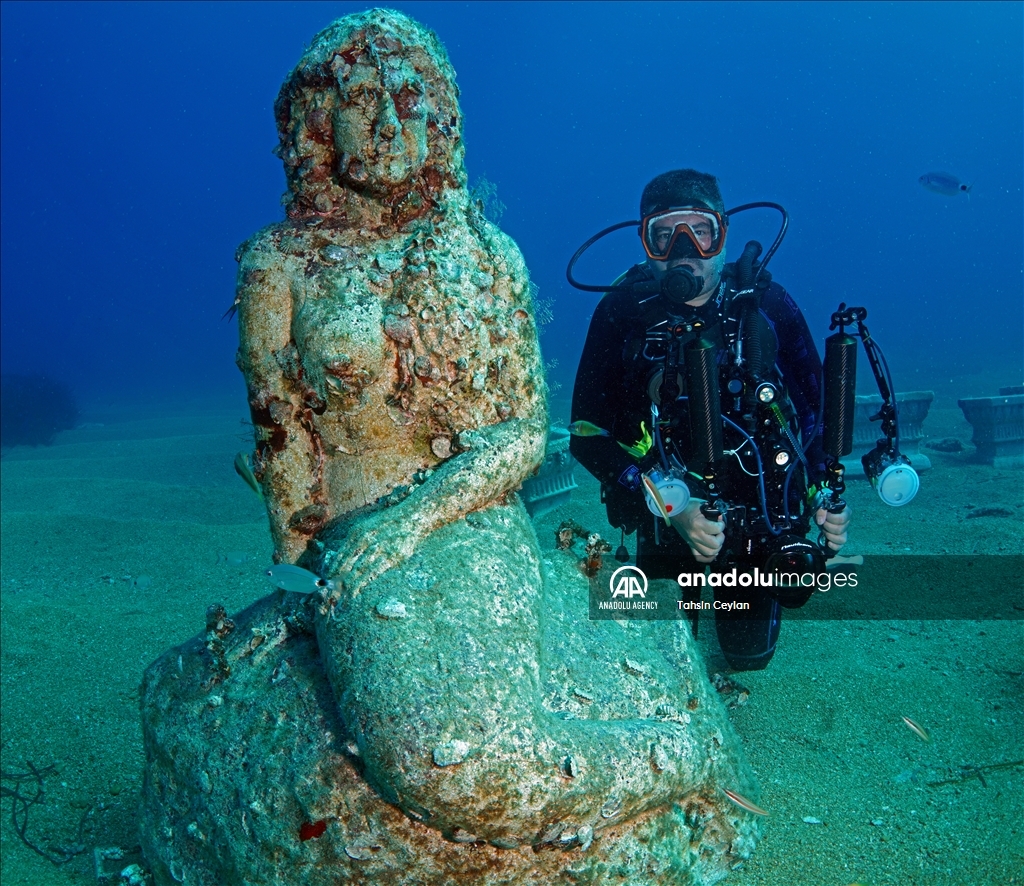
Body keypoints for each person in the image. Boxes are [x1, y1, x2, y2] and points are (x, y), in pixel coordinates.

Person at [570, 169, 851, 670]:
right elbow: (586, 435)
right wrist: (669, 507)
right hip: (664, 517)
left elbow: (815, 415)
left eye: (699, 230)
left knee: (748, 658)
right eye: (664, 234)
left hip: (761, 520)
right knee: (656, 662)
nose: (684, 248)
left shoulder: (769, 306)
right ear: (647, 243)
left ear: (723, 235)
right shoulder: (621, 312)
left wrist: (823, 495)